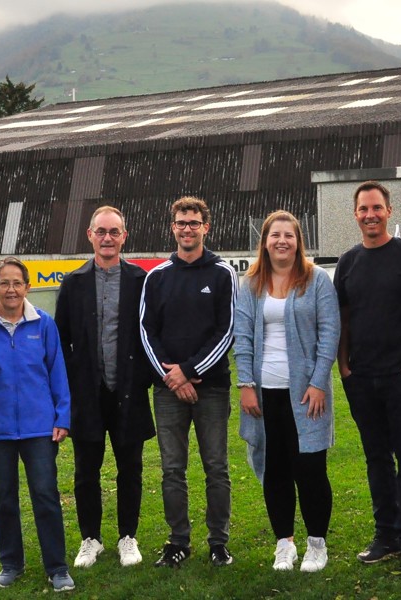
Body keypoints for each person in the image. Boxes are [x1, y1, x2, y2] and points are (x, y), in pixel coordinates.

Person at [335, 181, 401, 577]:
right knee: (376, 459)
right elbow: (342, 321)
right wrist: (344, 368)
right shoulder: (347, 262)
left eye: (377, 208)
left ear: (389, 211)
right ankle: (385, 535)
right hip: (362, 378)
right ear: (356, 214)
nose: (370, 215)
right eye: (363, 209)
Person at [235, 211, 340, 573]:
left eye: (289, 235)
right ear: (264, 241)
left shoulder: (317, 281)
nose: (282, 241)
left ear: (298, 241)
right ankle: (285, 544)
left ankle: (316, 544)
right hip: (264, 394)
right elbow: (243, 337)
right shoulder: (250, 284)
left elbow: (330, 334)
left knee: (310, 468)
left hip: (306, 395)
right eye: (275, 235)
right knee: (275, 469)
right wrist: (245, 384)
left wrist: (317, 382)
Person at [0, 257, 74, 592]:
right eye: (4, 283)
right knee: (4, 498)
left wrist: (62, 416)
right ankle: (11, 563)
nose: (11, 290)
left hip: (40, 428)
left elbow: (58, 374)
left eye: (17, 283)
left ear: (28, 287)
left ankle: (57, 567)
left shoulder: (44, 325)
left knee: (45, 494)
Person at [140, 196, 238, 568]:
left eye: (194, 223)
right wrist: (173, 376)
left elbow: (227, 330)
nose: (187, 228)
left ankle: (218, 542)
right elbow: (147, 332)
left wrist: (191, 370)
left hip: (211, 388)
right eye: (181, 222)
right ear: (173, 227)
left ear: (205, 228)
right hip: (168, 391)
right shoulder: (157, 276)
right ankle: (178, 541)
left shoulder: (223, 273)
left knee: (216, 466)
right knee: (172, 469)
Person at [55, 206, 155, 568]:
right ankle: (90, 538)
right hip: (88, 395)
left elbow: (151, 335)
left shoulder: (140, 281)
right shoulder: (73, 283)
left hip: (128, 392)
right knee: (86, 471)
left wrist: (142, 377)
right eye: (102, 231)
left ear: (124, 236)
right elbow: (61, 340)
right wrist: (72, 385)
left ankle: (128, 536)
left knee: (131, 468)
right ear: (90, 235)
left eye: (115, 232)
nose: (108, 238)